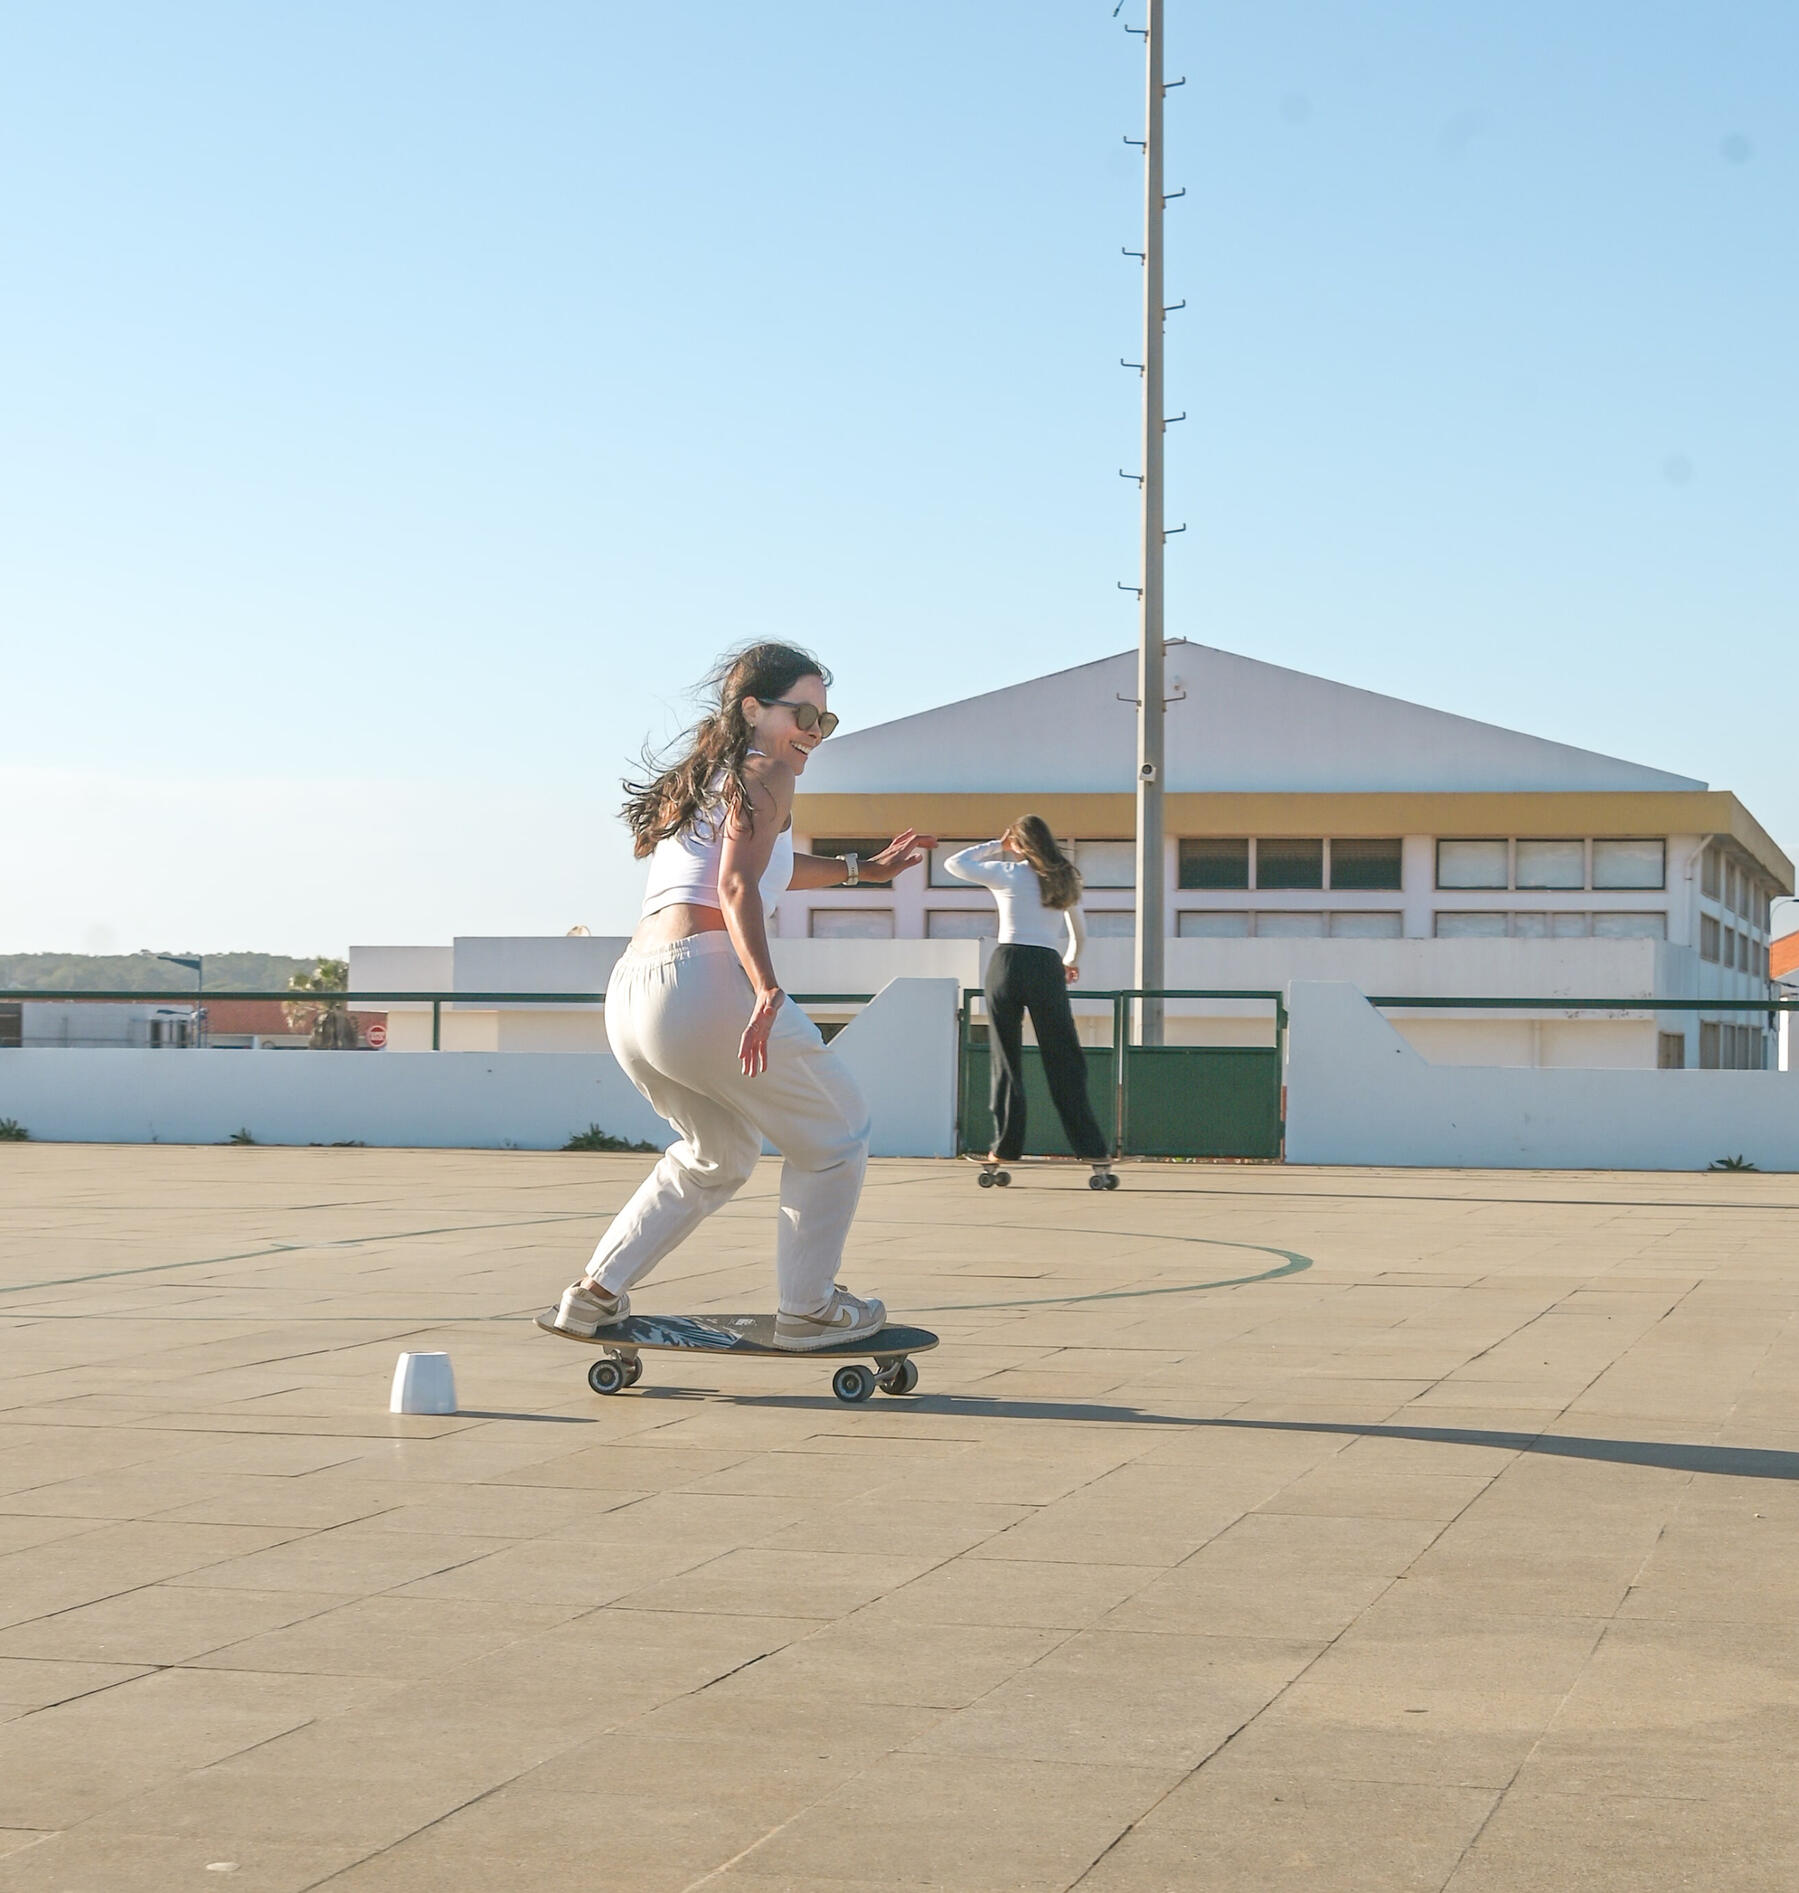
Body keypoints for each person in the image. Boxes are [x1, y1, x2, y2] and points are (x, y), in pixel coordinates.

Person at [547, 642, 933, 1350]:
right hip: (704, 980)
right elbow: (735, 887)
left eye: (828, 719)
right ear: (754, 708)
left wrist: (862, 869)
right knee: (836, 1135)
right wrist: (765, 988)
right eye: (805, 713)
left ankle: (595, 1295)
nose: (815, 732)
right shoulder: (770, 771)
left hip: (636, 989)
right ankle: (809, 1309)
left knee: (714, 1153)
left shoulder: (709, 775)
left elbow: (762, 868)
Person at [942, 819, 1112, 1177]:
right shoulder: (1065, 877)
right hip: (1046, 964)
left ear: (1017, 843)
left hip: (1006, 964)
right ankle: (1092, 1149)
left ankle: (1004, 1148)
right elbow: (1080, 933)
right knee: (1063, 1056)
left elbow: (954, 864)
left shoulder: (1006, 872)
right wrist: (1070, 962)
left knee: (1006, 1058)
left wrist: (996, 844)